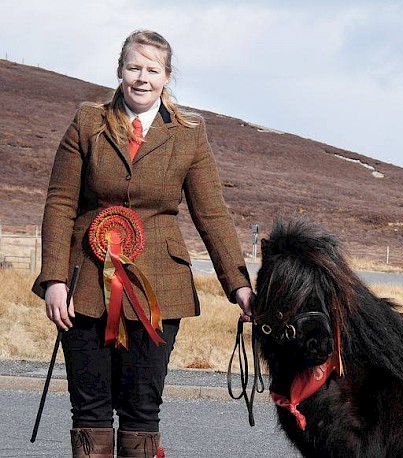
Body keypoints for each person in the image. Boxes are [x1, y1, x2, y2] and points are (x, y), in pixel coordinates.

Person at [32, 29, 253, 457]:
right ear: (119, 71)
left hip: (161, 292)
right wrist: (55, 278)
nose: (141, 78)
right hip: (85, 289)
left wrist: (239, 285)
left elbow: (211, 214)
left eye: (152, 69)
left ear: (167, 77)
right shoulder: (87, 120)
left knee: (142, 410)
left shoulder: (190, 133)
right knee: (90, 408)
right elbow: (60, 201)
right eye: (134, 67)